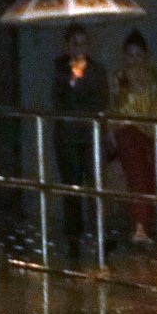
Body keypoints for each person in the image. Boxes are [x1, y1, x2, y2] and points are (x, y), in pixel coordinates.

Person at [109, 29, 157, 249]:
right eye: (129, 54)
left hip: (150, 132)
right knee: (136, 177)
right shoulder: (120, 77)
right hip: (127, 132)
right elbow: (114, 106)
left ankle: (146, 224)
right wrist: (112, 132)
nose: (133, 59)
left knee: (149, 177)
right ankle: (139, 227)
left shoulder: (154, 77)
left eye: (138, 54)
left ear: (145, 56)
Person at [51, 24, 111, 264]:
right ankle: (73, 237)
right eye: (74, 44)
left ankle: (100, 234)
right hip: (67, 136)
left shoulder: (98, 70)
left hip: (91, 134)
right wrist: (72, 81)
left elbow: (103, 101)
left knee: (96, 187)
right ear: (67, 46)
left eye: (82, 43)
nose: (79, 48)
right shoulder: (60, 69)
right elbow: (57, 100)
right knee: (72, 187)